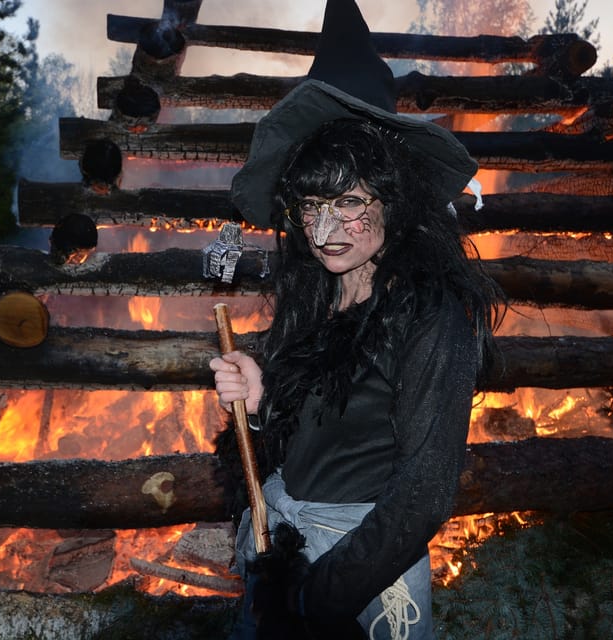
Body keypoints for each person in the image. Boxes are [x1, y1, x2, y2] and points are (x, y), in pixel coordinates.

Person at [208, 1, 503, 639]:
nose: (324, 229)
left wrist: (316, 600)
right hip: (282, 545)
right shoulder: (316, 297)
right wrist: (260, 402)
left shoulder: (431, 314)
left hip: (366, 571)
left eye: (348, 202)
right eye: (311, 205)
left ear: (393, 202)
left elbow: (424, 491)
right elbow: (309, 435)